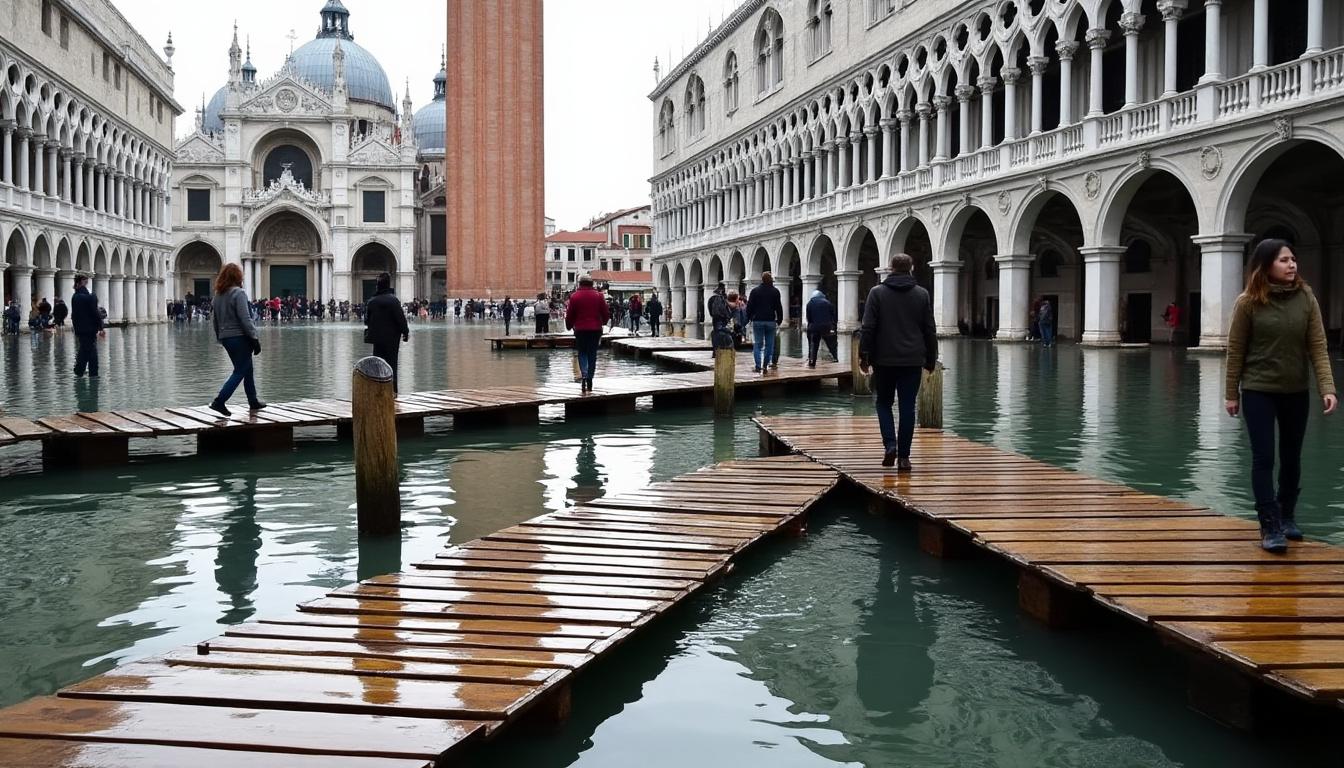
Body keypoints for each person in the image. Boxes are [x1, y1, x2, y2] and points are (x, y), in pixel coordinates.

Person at [1224, 238, 1337, 553]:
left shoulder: (1306, 297)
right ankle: (1269, 525)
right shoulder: (1248, 302)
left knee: (1291, 456)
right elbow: (1236, 352)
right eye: (1285, 260)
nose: (1292, 265)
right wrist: (1231, 393)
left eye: (1294, 259)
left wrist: (1327, 387)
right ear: (1266, 265)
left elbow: (1317, 345)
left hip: (1296, 391)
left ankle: (1287, 515)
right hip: (1259, 390)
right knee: (1264, 458)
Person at [859, 253, 938, 471]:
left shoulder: (877, 293)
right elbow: (929, 330)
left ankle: (890, 445)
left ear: (890, 268)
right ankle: (904, 457)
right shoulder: (922, 294)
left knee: (883, 403)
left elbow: (868, 328)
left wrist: (864, 357)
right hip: (912, 360)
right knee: (907, 408)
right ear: (911, 267)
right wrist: (931, 360)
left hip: (883, 360)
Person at [209, 263, 266, 417]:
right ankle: (219, 401)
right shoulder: (238, 293)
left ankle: (253, 401)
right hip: (240, 337)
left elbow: (215, 320)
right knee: (240, 370)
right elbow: (245, 319)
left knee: (247, 369)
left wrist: (220, 337)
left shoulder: (218, 295)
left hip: (226, 338)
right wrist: (254, 338)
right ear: (237, 276)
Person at [365, 271, 410, 393]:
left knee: (378, 364)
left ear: (377, 286)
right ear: (388, 285)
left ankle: (378, 390)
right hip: (392, 339)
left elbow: (366, 321)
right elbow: (401, 319)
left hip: (377, 339)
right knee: (392, 364)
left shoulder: (371, 301)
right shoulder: (394, 301)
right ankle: (393, 391)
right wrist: (405, 333)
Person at [565, 273, 609, 393]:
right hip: (595, 329)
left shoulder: (574, 296)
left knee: (582, 352)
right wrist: (604, 322)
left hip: (580, 329)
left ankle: (584, 374)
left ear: (579, 283)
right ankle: (590, 377)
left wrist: (569, 326)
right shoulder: (599, 296)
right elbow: (605, 312)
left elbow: (570, 315)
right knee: (592, 353)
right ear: (591, 283)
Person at [745, 272, 784, 373]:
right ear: (770, 279)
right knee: (769, 345)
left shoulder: (755, 291)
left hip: (757, 320)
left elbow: (749, 307)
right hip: (771, 321)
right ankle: (765, 365)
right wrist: (779, 320)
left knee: (757, 344)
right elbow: (779, 307)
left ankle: (758, 366)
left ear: (762, 280)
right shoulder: (775, 291)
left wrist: (748, 318)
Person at [70, 275, 104, 377]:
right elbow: (95, 313)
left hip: (80, 329)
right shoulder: (90, 297)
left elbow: (74, 315)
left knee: (85, 348)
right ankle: (92, 373)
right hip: (90, 329)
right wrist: (101, 327)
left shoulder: (75, 297)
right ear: (82, 282)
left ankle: (79, 370)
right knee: (91, 350)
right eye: (86, 281)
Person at [804, 289, 837, 368]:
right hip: (827, 326)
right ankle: (836, 358)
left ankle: (812, 361)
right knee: (832, 345)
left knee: (814, 344)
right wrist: (833, 326)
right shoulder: (828, 303)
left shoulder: (810, 303)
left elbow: (809, 318)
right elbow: (833, 316)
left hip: (814, 327)